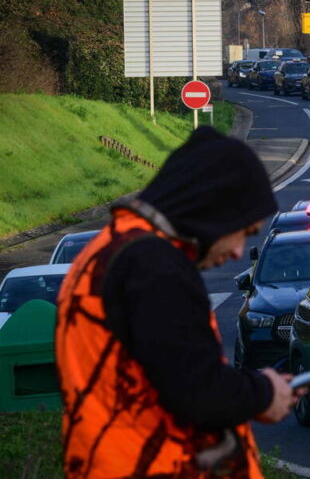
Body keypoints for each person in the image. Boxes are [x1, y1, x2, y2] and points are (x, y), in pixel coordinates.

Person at [55, 127, 297, 478]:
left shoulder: (108, 252)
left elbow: (166, 374)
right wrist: (264, 393)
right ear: (215, 209)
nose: (236, 252)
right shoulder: (154, 267)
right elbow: (197, 390)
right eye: (243, 232)